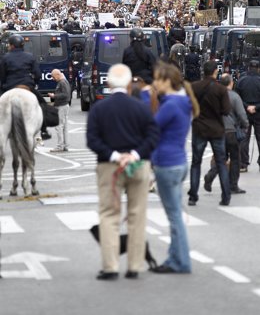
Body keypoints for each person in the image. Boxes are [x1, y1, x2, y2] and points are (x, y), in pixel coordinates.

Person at [87, 64, 159, 280]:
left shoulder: (99, 109)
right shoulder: (141, 108)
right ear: (129, 84)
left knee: (109, 215)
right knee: (137, 215)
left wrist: (115, 156)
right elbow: (153, 136)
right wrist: (135, 155)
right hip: (138, 166)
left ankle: (110, 266)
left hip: (110, 167)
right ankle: (135, 266)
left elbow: (92, 140)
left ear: (108, 84)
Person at [150, 62, 199, 274]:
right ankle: (174, 258)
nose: (154, 83)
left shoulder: (170, 105)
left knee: (174, 217)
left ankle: (180, 261)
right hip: (179, 161)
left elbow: (150, 129)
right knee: (176, 214)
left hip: (167, 163)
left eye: (157, 79)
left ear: (167, 81)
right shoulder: (183, 102)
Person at [187, 60, 231, 206]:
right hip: (217, 129)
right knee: (221, 162)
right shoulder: (221, 90)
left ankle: (193, 195)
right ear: (215, 72)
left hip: (199, 128)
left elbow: (189, 106)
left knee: (196, 162)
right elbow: (226, 110)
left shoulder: (194, 87)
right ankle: (226, 196)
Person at [0, 34, 51, 140]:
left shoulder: (5, 58)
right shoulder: (29, 56)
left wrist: (4, 86)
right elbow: (37, 74)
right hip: (26, 86)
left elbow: (2, 76)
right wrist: (34, 83)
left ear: (12, 46)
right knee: (42, 104)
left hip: (10, 87)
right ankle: (44, 130)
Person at [204, 73, 249, 194]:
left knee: (220, 157)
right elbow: (241, 114)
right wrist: (245, 125)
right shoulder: (235, 97)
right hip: (231, 132)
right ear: (231, 83)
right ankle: (233, 185)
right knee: (235, 158)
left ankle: (210, 176)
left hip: (217, 131)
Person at [236, 60, 260, 172]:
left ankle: (243, 163)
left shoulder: (241, 81)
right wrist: (255, 107)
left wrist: (247, 106)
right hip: (258, 113)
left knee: (244, 139)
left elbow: (237, 98)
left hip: (244, 113)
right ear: (258, 69)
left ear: (249, 68)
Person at [48, 69, 71, 152]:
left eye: (53, 77)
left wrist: (54, 96)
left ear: (58, 74)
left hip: (62, 106)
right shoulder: (63, 82)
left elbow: (66, 94)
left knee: (59, 126)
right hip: (63, 106)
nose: (53, 79)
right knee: (64, 127)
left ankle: (60, 146)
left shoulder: (62, 82)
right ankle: (65, 146)